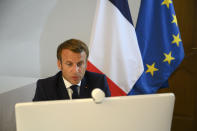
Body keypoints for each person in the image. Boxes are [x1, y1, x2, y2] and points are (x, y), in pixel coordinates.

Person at [33, 39, 111, 101]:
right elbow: (38, 117)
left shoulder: (99, 81)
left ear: (86, 64)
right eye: (69, 64)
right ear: (59, 64)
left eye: (80, 64)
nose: (75, 71)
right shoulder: (45, 87)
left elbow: (108, 113)